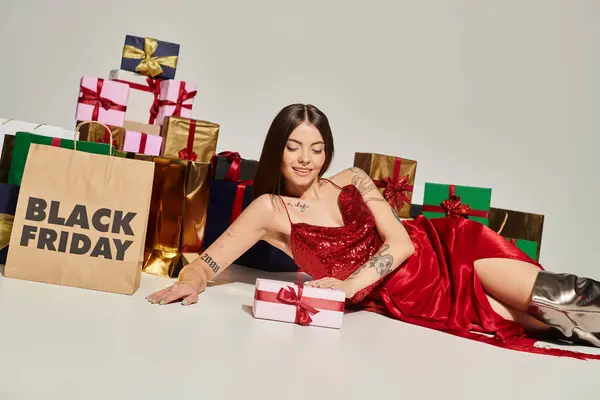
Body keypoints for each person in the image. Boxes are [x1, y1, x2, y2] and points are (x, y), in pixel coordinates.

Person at [147, 103, 600, 360]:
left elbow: (401, 241)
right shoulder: (270, 210)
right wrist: (189, 282)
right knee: (555, 326)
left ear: (327, 152)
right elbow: (208, 263)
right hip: (410, 297)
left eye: (316, 148)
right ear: (277, 151)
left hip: (444, 251)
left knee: (563, 296)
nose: (305, 158)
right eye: (293, 147)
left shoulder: (354, 179)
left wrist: (344, 287)